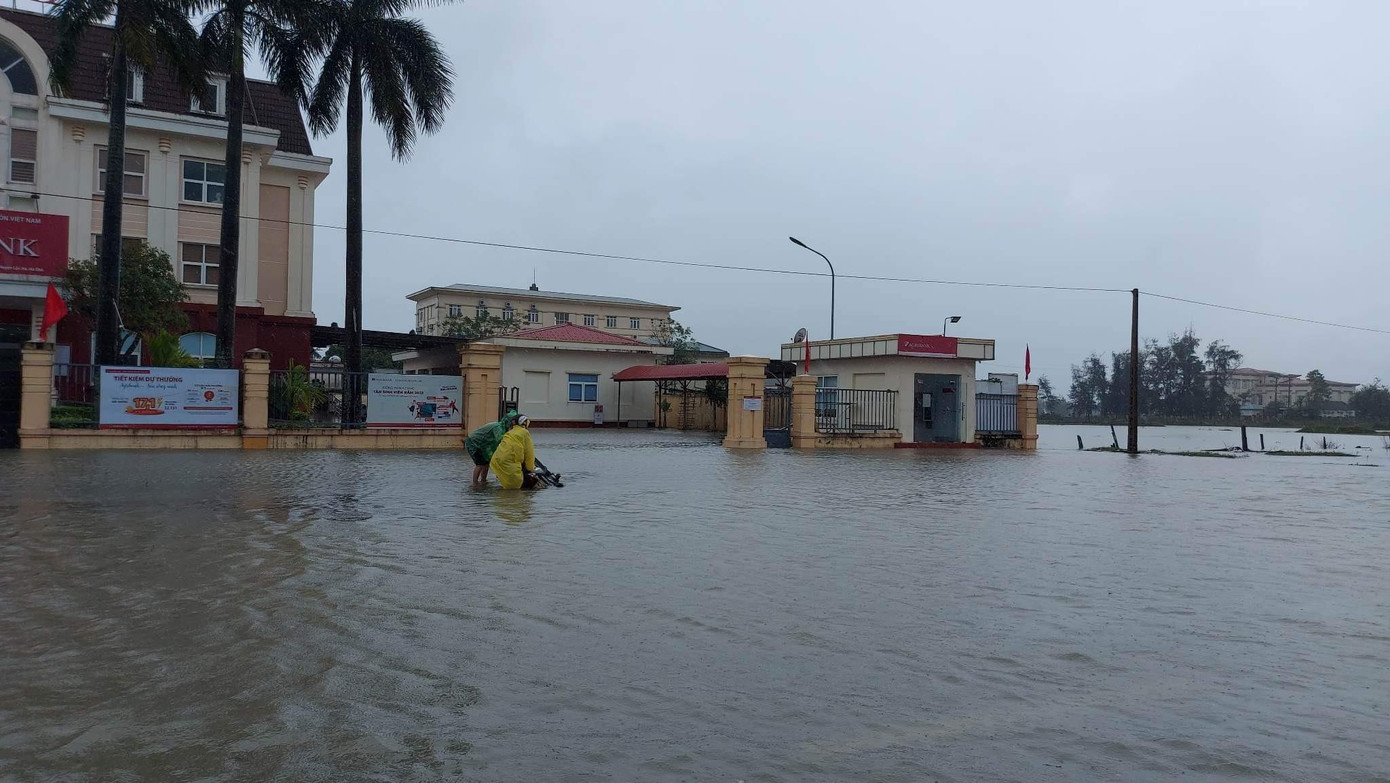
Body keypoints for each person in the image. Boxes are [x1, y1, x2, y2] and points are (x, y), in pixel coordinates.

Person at [464, 410, 519, 485]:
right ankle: (475, 483)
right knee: (480, 464)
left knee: (486, 463)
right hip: (474, 443)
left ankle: (483, 481)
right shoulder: (498, 428)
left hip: (483, 445)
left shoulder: (503, 429)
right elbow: (500, 440)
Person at [490, 414, 539, 490]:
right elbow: (529, 453)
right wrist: (531, 468)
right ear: (525, 423)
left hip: (496, 462)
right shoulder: (524, 432)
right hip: (509, 462)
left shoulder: (510, 432)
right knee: (515, 489)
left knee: (504, 490)